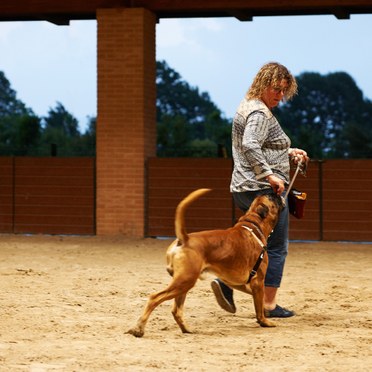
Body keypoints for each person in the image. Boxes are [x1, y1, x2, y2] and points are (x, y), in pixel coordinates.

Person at [211, 62, 309, 318]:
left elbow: (260, 146)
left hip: (243, 187)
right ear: (263, 84)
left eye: (283, 91)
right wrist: (270, 176)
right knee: (276, 248)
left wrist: (288, 152)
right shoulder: (260, 113)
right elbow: (251, 144)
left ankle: (227, 279)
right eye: (275, 89)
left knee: (250, 242)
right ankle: (268, 305)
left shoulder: (248, 105)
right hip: (263, 190)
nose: (279, 95)